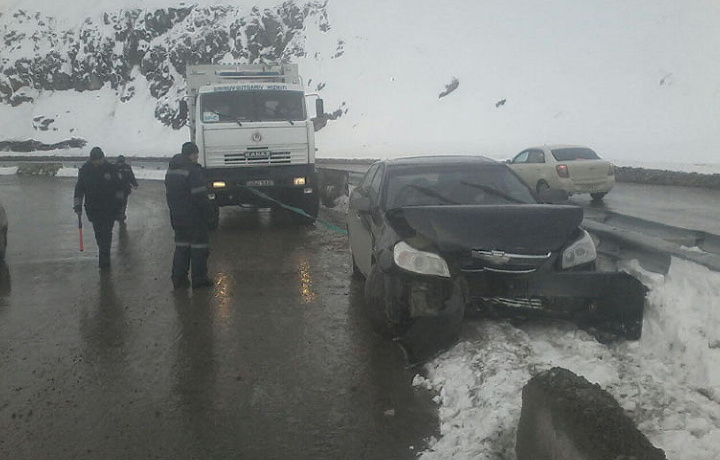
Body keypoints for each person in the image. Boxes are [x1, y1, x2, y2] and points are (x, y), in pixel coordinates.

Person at [165, 142, 213, 289]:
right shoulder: (192, 171)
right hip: (194, 217)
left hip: (177, 216)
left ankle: (178, 279)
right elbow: (200, 197)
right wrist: (208, 214)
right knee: (199, 247)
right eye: (196, 155)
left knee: (181, 247)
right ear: (191, 155)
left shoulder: (171, 170)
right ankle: (199, 279)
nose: (197, 158)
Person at [74, 147, 124, 269]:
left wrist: (119, 207)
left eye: (99, 160)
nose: (97, 163)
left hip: (109, 208)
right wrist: (77, 205)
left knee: (106, 234)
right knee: (98, 234)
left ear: (103, 158)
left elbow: (120, 188)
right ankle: (103, 253)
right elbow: (79, 189)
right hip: (93, 209)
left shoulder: (111, 169)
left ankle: (104, 261)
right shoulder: (85, 170)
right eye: (94, 161)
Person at [115, 155, 139, 224]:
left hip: (121, 189)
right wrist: (135, 184)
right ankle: (121, 214)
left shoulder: (115, 167)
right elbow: (131, 177)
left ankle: (121, 214)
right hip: (122, 189)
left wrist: (135, 184)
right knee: (122, 203)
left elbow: (131, 177)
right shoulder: (127, 167)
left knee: (121, 202)